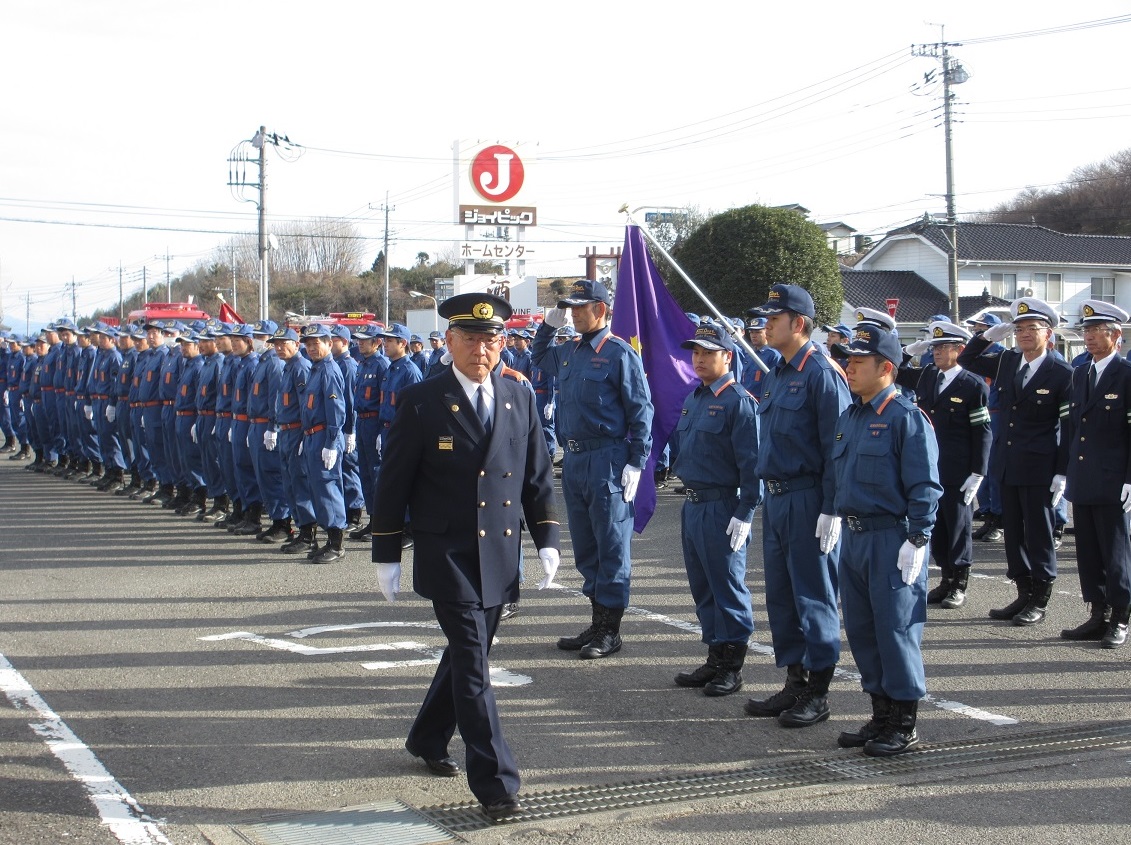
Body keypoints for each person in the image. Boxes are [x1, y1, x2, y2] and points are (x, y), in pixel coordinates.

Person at [370, 292, 560, 822]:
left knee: (463, 655)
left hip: (499, 552)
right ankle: (497, 784)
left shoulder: (518, 397)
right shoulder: (422, 400)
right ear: (449, 341)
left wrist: (546, 538)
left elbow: (536, 476)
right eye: (471, 338)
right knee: (474, 665)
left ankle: (427, 737)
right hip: (447, 552)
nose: (483, 349)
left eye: (492, 338)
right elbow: (394, 483)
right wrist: (385, 552)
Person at [831, 323, 941, 756]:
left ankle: (903, 720)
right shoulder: (851, 416)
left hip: (892, 538)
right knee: (862, 629)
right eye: (849, 361)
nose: (850, 369)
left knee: (896, 630)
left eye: (859, 363)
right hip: (855, 537)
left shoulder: (906, 418)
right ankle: (880, 712)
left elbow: (925, 485)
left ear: (886, 368)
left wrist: (918, 538)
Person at [743, 284, 850, 728]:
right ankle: (795, 679)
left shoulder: (822, 374)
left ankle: (819, 690)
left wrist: (832, 508)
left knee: (814, 594)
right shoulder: (779, 372)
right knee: (783, 596)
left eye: (774, 318)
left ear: (799, 324)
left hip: (809, 498)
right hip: (779, 498)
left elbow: (837, 448)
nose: (765, 325)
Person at [533, 279, 654, 659]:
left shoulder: (619, 354)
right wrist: (549, 326)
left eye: (580, 308)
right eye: (570, 308)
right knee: (586, 545)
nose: (574, 314)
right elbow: (538, 356)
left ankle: (610, 630)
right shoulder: (569, 351)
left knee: (612, 545)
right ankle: (596, 619)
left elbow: (642, 411)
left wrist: (637, 461)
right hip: (575, 459)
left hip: (608, 459)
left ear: (600, 310)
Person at [958, 297, 1071, 626]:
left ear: (1047, 333)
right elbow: (967, 358)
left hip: (1040, 468)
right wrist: (989, 336)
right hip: (1007, 463)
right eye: (1018, 328)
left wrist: (1062, 473)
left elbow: (1069, 427)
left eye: (1030, 328)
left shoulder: (1061, 372)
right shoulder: (1007, 361)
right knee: (1014, 535)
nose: (1022, 334)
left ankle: (1040, 597)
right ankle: (1023, 592)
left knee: (1038, 533)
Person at [671, 323, 760, 697]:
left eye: (708, 352)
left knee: (727, 585)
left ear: (728, 356)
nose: (700, 359)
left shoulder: (739, 401)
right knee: (703, 586)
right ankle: (714, 655)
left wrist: (746, 511)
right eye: (696, 352)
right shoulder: (696, 398)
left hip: (723, 506)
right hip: (693, 504)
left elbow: (753, 464)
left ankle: (732, 666)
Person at [898, 321, 991, 609]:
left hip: (958, 468)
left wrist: (979, 471)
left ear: (959, 350)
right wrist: (906, 351)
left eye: (943, 347)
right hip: (929, 465)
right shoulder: (928, 375)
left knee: (957, 526)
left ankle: (959, 582)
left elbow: (982, 431)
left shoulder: (972, 384)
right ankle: (946, 578)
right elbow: (893, 369)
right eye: (935, 347)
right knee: (936, 526)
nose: (937, 352)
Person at [1061, 300, 1131, 648]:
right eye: (1086, 331)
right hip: (1084, 474)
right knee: (1088, 550)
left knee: (1115, 551)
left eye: (1095, 331)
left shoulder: (1127, 374)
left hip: (1114, 478)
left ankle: (1120, 616)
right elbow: (1075, 428)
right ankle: (1096, 613)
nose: (1088, 337)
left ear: (1115, 335)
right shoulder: (1081, 373)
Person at [299, 323, 349, 564]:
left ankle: (336, 543)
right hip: (312, 435)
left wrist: (331, 441)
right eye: (308, 344)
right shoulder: (316, 369)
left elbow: (336, 409)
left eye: (316, 343)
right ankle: (328, 539)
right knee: (318, 488)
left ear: (329, 343)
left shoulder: (329, 370)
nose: (311, 348)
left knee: (328, 488)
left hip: (324, 436)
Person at [965, 313, 1007, 543]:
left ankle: (999, 519)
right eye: (977, 329)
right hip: (980, 412)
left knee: (995, 469)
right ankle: (989, 513)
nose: (977, 332)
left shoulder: (1000, 356)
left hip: (997, 414)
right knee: (982, 467)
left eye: (982, 329)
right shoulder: (977, 353)